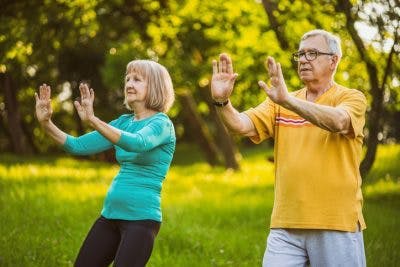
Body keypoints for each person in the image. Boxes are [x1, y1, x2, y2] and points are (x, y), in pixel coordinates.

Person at [210, 29, 367, 266]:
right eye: (301, 54)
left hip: (335, 222)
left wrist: (289, 102)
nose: (303, 59)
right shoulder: (279, 102)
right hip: (286, 225)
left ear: (333, 60)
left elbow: (339, 121)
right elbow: (240, 125)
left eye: (312, 53)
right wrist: (222, 102)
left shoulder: (351, 97)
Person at [35, 59, 176, 267]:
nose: (129, 83)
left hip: (141, 220)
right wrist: (46, 123)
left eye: (137, 80)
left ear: (155, 86)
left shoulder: (162, 123)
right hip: (110, 215)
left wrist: (93, 120)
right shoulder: (123, 122)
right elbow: (77, 146)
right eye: (127, 79)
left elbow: (138, 143)